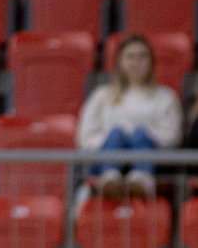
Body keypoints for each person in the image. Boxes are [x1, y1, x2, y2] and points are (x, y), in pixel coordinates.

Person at [77, 34, 182, 199]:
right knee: (116, 133)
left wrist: (137, 139)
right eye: (130, 57)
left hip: (152, 160)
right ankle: (110, 179)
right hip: (105, 158)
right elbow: (86, 136)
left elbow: (171, 136)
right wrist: (118, 141)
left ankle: (141, 180)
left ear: (151, 62)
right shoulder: (102, 95)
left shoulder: (166, 96)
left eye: (142, 57)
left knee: (140, 134)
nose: (136, 62)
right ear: (120, 61)